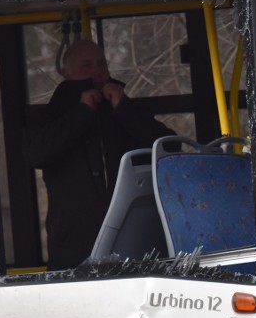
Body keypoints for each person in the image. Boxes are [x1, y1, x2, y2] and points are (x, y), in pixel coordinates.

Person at [24, 40, 174, 270]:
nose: (97, 71)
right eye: (86, 66)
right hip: (74, 246)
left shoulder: (122, 110)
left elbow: (169, 149)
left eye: (101, 64)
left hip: (131, 239)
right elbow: (37, 154)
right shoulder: (51, 117)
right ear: (67, 73)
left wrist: (124, 108)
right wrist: (82, 113)